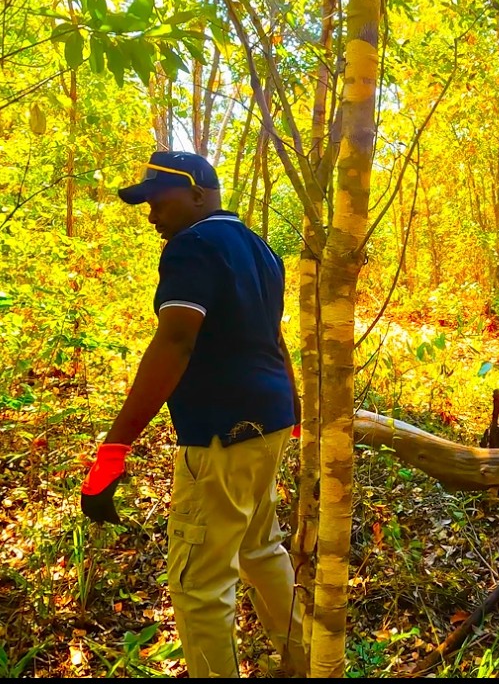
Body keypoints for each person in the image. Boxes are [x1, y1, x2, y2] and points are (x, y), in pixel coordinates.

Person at [79, 151, 306, 676]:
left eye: (160, 201)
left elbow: (177, 339)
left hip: (221, 434)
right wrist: (291, 408)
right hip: (268, 423)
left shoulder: (192, 247)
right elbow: (273, 336)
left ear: (199, 195)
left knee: (199, 584)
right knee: (260, 548)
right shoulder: (261, 248)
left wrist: (115, 446)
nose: (152, 215)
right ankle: (309, 662)